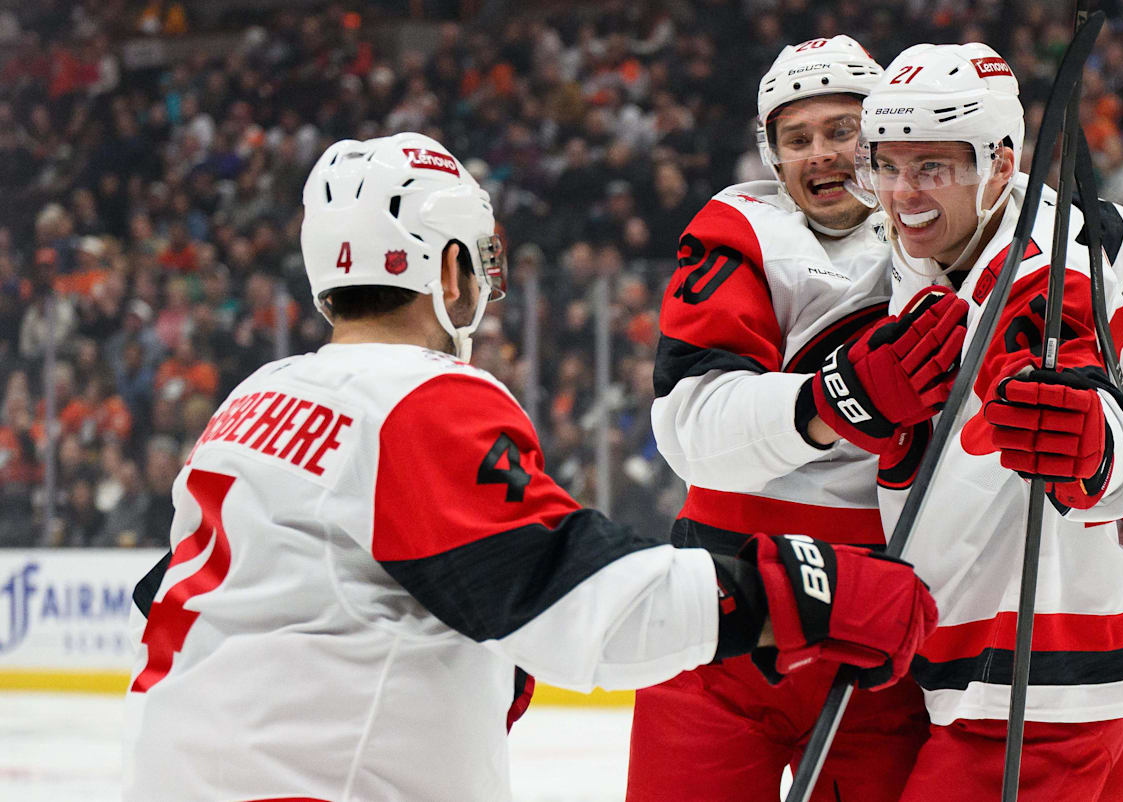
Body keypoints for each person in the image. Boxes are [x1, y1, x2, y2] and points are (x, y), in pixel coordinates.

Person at [120, 132, 939, 802]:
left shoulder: (253, 399)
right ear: (446, 270)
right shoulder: (423, 399)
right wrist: (802, 590)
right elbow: (578, 597)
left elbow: (172, 592)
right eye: (475, 260)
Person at [856, 43, 1123, 800]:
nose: (902, 194)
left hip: (1036, 683)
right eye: (888, 167)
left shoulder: (1042, 285)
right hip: (1000, 663)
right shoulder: (935, 247)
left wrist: (1105, 454)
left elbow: (1096, 410)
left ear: (997, 164)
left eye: (931, 168)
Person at [627, 36, 948, 802]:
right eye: (795, 138)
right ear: (770, 156)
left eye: (842, 130)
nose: (820, 154)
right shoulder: (741, 227)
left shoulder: (944, 220)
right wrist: (836, 401)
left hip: (878, 623)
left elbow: (1048, 233)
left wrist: (1091, 234)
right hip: (726, 613)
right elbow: (693, 427)